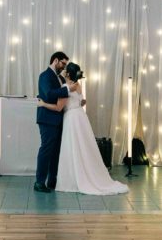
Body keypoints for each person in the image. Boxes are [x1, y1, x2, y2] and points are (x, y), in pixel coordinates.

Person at [53, 62, 129, 195]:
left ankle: (73, 178)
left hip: (71, 118)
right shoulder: (78, 86)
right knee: (84, 146)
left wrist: (42, 103)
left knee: (73, 147)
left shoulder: (66, 87)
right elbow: (80, 101)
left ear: (68, 74)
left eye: (65, 71)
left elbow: (59, 107)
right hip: (81, 117)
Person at [34, 51, 70, 193]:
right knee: (46, 150)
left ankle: (52, 181)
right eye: (63, 64)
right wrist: (67, 90)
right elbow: (48, 94)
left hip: (59, 119)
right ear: (55, 60)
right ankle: (39, 182)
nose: (64, 67)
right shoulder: (45, 76)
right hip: (47, 119)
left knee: (56, 152)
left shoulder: (60, 78)